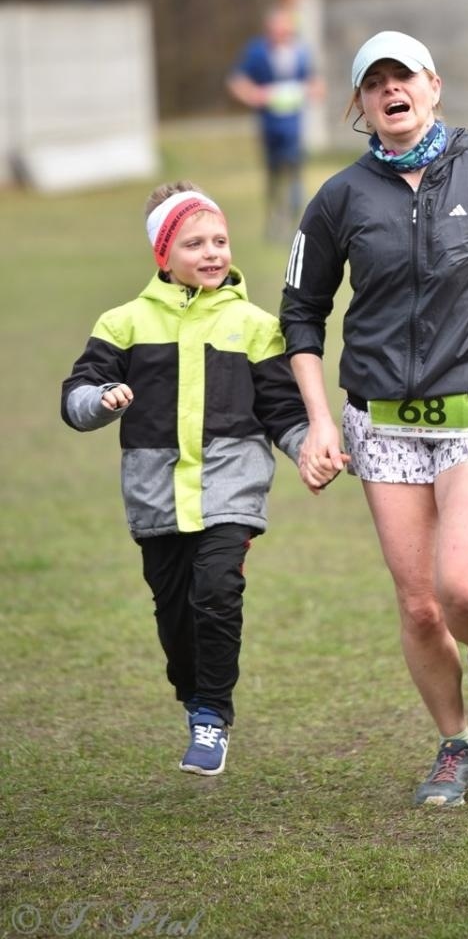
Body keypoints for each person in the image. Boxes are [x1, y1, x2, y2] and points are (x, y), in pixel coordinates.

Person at [280, 31, 468, 807]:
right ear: (358, 104)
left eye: (403, 76)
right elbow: (300, 314)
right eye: (373, 82)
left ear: (433, 87)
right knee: (419, 606)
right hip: (379, 422)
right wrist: (320, 422)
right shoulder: (338, 199)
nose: (391, 89)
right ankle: (454, 748)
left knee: (461, 587)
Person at [61, 181, 338, 777]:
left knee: (216, 588)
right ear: (162, 254)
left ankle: (212, 713)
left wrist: (306, 451)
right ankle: (193, 696)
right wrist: (103, 400)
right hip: (155, 497)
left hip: (230, 489)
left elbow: (281, 410)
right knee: (174, 612)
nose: (212, 252)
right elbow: (75, 396)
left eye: (219, 239)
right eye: (194, 243)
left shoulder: (256, 326)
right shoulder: (123, 323)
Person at [227, 5, 323, 237]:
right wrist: (256, 96)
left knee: (295, 173)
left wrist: (307, 91)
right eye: (275, 29)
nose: (280, 33)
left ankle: (296, 223)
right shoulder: (257, 52)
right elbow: (236, 81)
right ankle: (274, 219)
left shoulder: (301, 52)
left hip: (294, 127)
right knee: (273, 175)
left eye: (284, 28)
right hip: (270, 127)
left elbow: (317, 84)